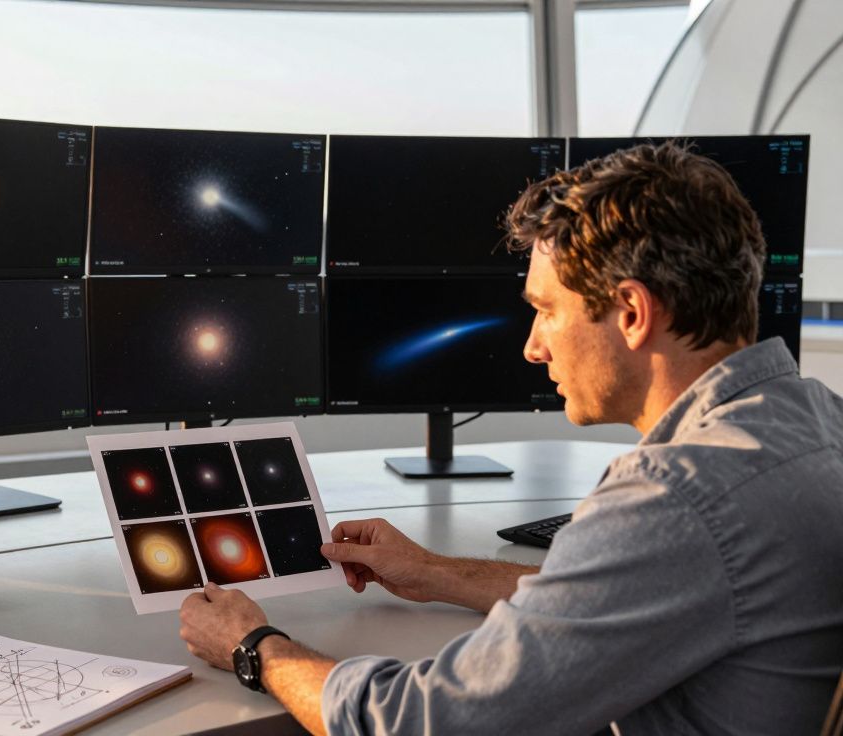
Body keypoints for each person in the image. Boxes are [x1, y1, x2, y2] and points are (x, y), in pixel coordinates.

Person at [178, 142, 843, 735]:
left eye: (547, 311)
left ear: (634, 313)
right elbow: (626, 600)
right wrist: (440, 574)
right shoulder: (817, 421)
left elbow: (424, 723)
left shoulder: (677, 498)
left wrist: (254, 645)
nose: (531, 348)